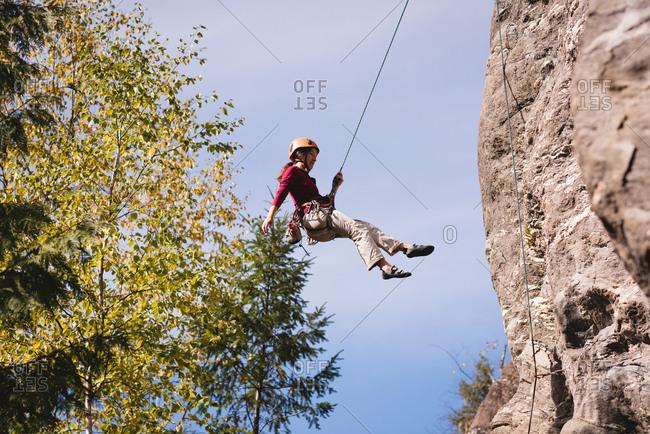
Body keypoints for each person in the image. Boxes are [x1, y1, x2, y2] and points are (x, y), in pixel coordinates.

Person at [262, 137, 434, 280]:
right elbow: (282, 191)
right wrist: (270, 216)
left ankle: (406, 247)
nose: (315, 159)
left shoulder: (308, 180)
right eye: (312, 154)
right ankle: (386, 268)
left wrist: (335, 188)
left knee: (366, 227)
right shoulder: (292, 171)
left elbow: (327, 205)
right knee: (357, 229)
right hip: (314, 218)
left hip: (321, 224)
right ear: (301, 154)